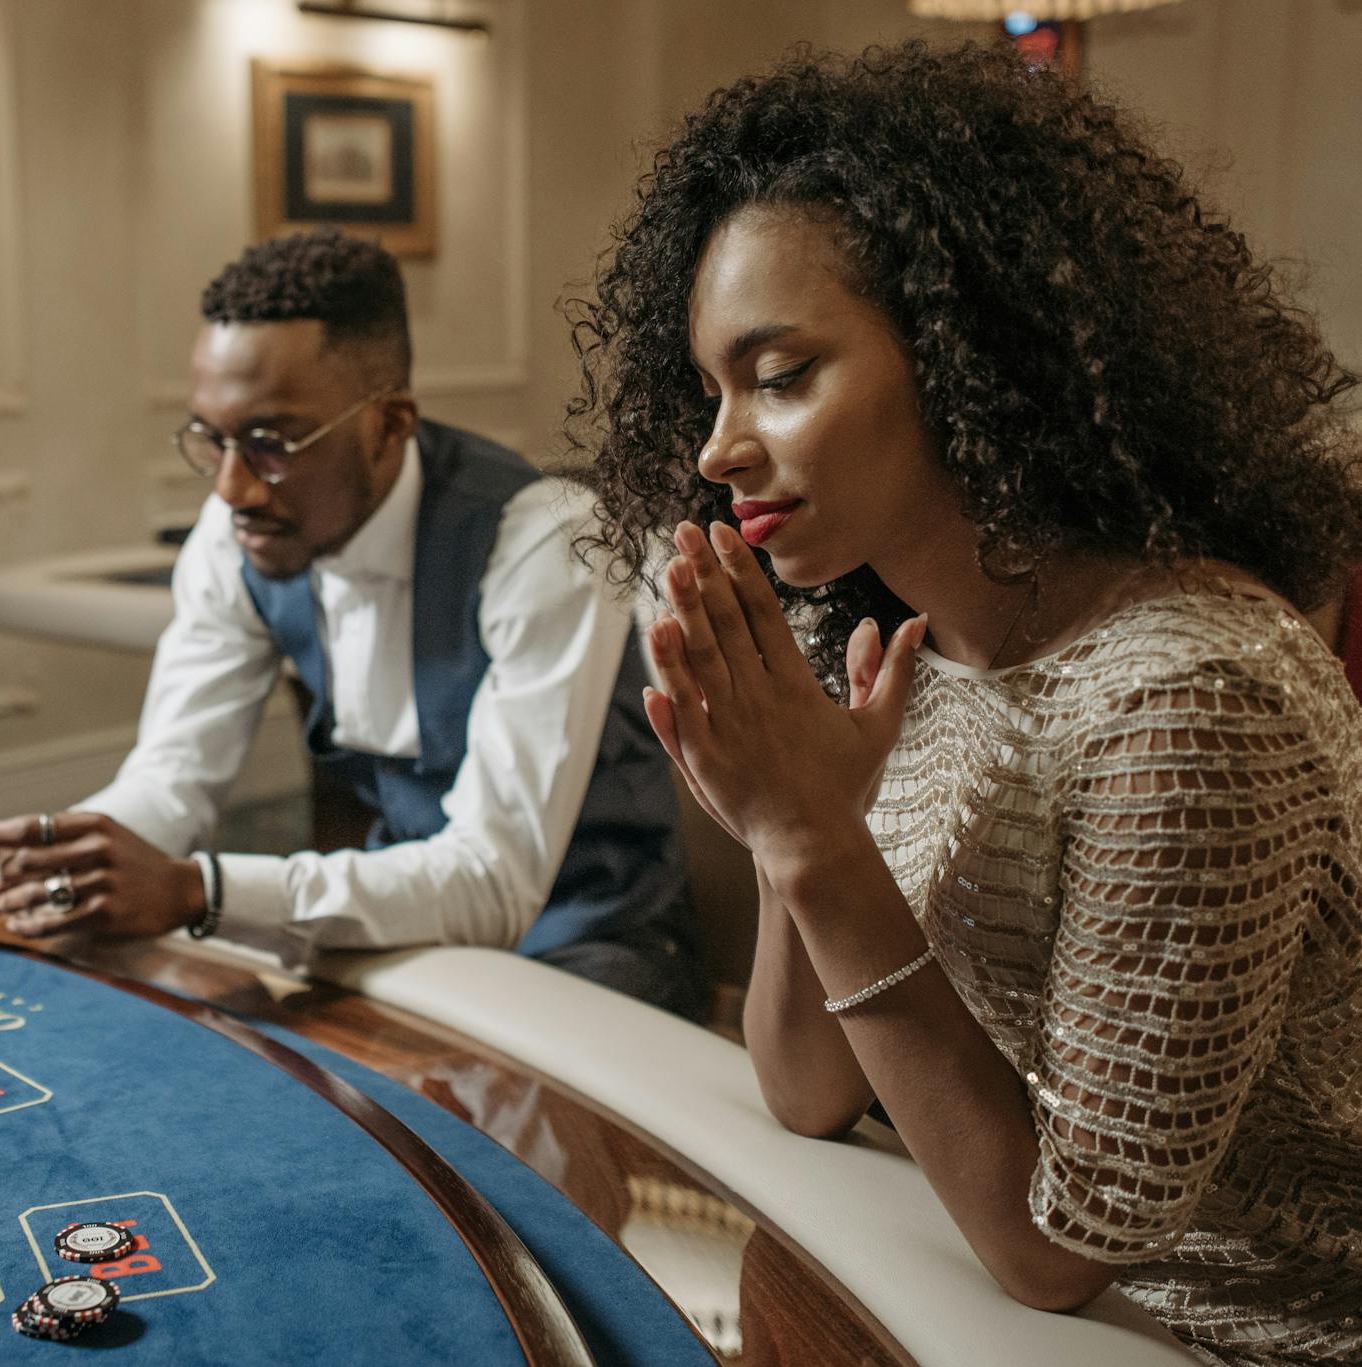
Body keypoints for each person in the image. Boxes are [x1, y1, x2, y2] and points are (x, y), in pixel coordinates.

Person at [568, 41, 1362, 1365]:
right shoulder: (899, 645)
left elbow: (1058, 1247)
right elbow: (804, 1089)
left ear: (963, 353)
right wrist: (791, 825)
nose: (717, 448)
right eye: (711, 391)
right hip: (986, 1294)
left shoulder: (1188, 700)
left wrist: (818, 839)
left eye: (781, 374)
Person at [0, 229, 705, 1018]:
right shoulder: (238, 531)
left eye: (271, 441)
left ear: (389, 424)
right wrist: (19, 860)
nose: (231, 487)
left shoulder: (547, 541)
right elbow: (171, 781)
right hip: (407, 938)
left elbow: (492, 881)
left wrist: (198, 891)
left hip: (589, 943)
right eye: (213, 438)